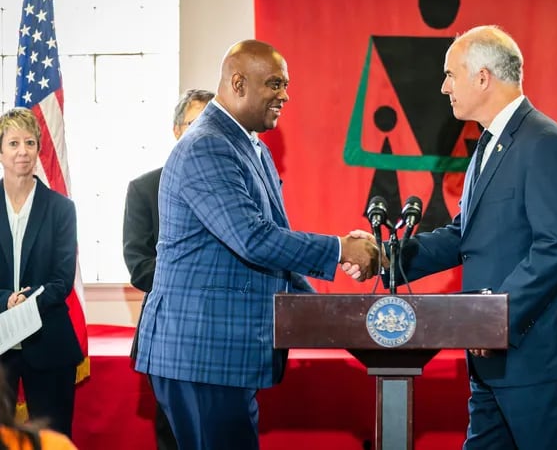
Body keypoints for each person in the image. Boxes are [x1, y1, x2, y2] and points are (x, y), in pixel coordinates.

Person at [134, 39, 378, 450]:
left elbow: (273, 243)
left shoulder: (253, 147)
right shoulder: (207, 145)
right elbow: (252, 238)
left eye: (285, 85)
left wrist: (330, 313)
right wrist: (340, 250)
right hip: (202, 354)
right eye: (275, 84)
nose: (285, 95)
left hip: (226, 356)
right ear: (238, 83)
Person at [372, 25, 557, 449]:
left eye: (450, 74)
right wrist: (386, 256)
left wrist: (494, 319)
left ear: (483, 77)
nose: (444, 87)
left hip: (537, 357)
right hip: (491, 358)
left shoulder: (543, 141)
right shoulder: (488, 144)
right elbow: (466, 235)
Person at [122, 88, 213, 450]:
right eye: (195, 123)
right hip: (169, 333)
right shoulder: (145, 188)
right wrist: (203, 275)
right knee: (174, 436)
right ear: (176, 131)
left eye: (212, 123)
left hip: (226, 333)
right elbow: (139, 266)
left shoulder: (238, 188)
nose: (205, 132)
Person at [0, 108, 83, 438]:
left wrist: (27, 302)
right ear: (1, 150)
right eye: (13, 143)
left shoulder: (62, 208)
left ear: (39, 150)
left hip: (49, 341)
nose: (23, 151)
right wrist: (7, 299)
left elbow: (62, 278)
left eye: (30, 142)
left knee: (54, 436)